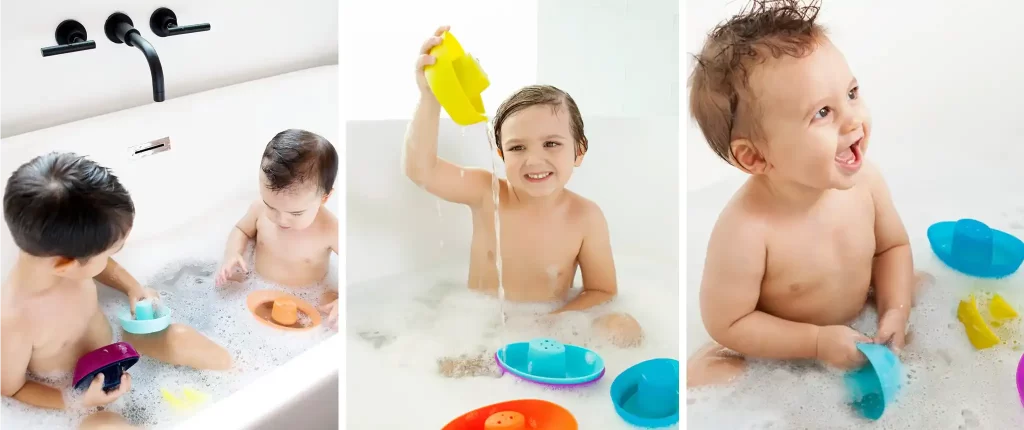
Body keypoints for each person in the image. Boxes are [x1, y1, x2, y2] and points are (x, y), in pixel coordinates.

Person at [686, 0, 924, 387]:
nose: (852, 119)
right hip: (784, 347)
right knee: (708, 373)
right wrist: (814, 342)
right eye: (822, 113)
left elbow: (892, 248)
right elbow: (727, 322)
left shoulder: (867, 183)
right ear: (756, 157)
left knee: (918, 289)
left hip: (857, 325)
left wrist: (894, 312)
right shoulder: (747, 229)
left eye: (851, 93)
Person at [404, 26, 643, 352]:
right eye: (517, 148)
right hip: (478, 325)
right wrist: (430, 97)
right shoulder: (485, 191)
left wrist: (553, 322)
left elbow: (601, 291)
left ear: (580, 151)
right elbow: (422, 170)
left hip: (547, 325)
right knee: (447, 356)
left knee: (624, 327)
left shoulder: (586, 217)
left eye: (551, 144)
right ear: (501, 155)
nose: (534, 160)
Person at [0, 152, 230, 424]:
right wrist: (76, 401)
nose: (113, 256)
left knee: (180, 337)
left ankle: (245, 381)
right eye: (112, 250)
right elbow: (11, 388)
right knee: (104, 426)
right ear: (66, 265)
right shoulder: (15, 319)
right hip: (79, 389)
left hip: (120, 350)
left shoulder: (60, 259)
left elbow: (101, 266)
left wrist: (132, 288)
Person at [215, 129, 339, 329]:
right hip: (255, 290)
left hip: (310, 303)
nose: (281, 219)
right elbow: (241, 230)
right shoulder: (258, 209)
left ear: (324, 198)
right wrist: (233, 254)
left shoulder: (330, 229)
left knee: (332, 309)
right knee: (227, 290)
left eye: (296, 213)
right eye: (271, 205)